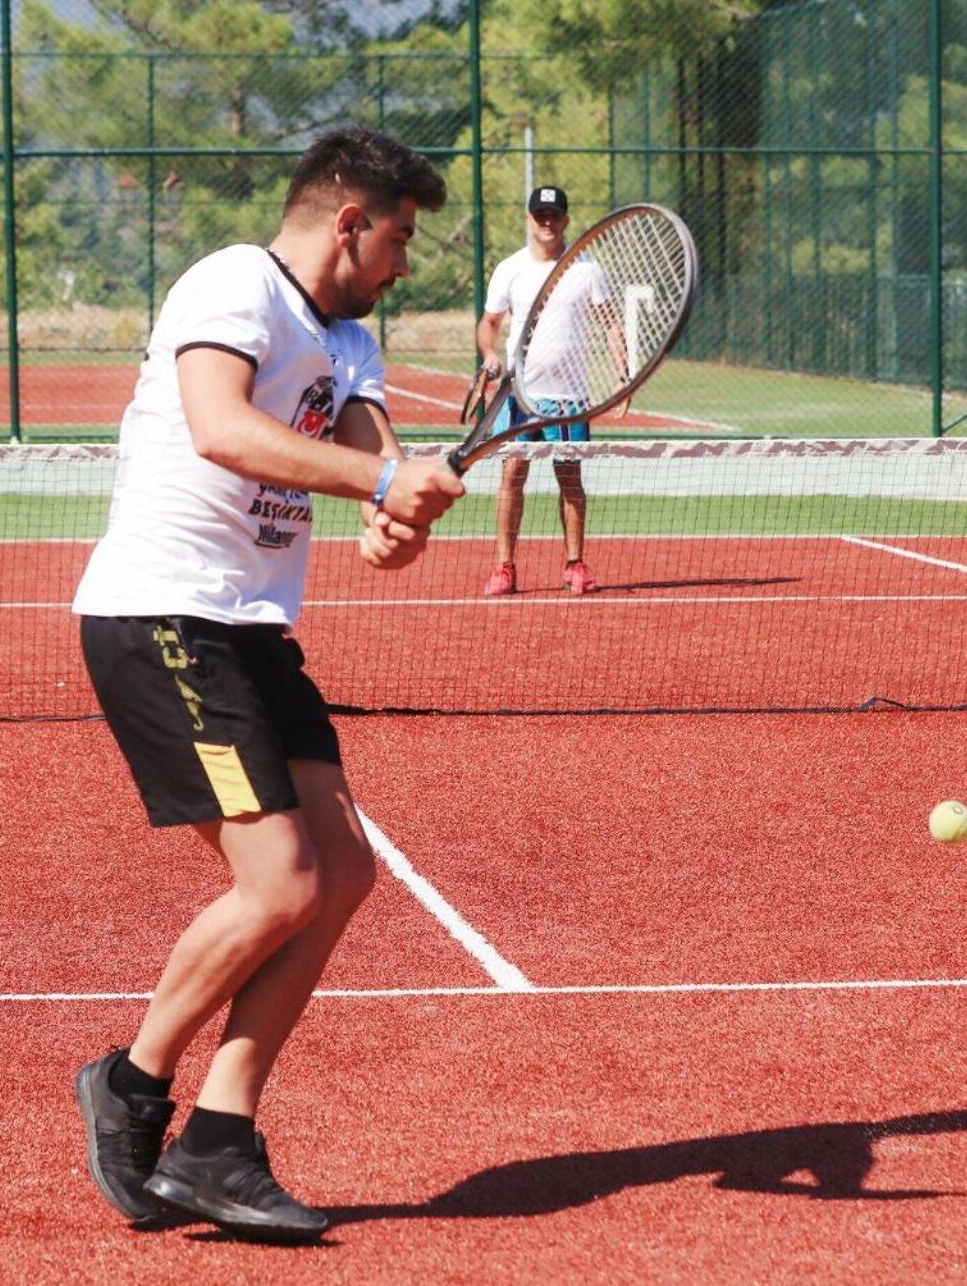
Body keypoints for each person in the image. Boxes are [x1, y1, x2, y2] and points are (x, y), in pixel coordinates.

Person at [68, 128, 464, 1244]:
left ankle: (219, 1142)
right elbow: (222, 427)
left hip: (249, 626)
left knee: (340, 874)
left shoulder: (348, 336)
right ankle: (133, 1081)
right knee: (280, 882)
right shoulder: (235, 282)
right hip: (162, 612)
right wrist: (383, 479)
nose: (403, 261)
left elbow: (367, 453)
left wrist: (393, 520)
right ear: (350, 220)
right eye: (399, 236)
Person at [474, 184, 621, 596]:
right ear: (529, 219)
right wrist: (489, 353)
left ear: (565, 220)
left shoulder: (587, 269)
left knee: (569, 478)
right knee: (513, 475)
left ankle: (575, 564)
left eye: (554, 215)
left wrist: (622, 376)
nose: (547, 222)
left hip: (570, 398)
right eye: (540, 215)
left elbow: (610, 322)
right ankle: (504, 567)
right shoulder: (510, 269)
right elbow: (489, 324)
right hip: (520, 394)